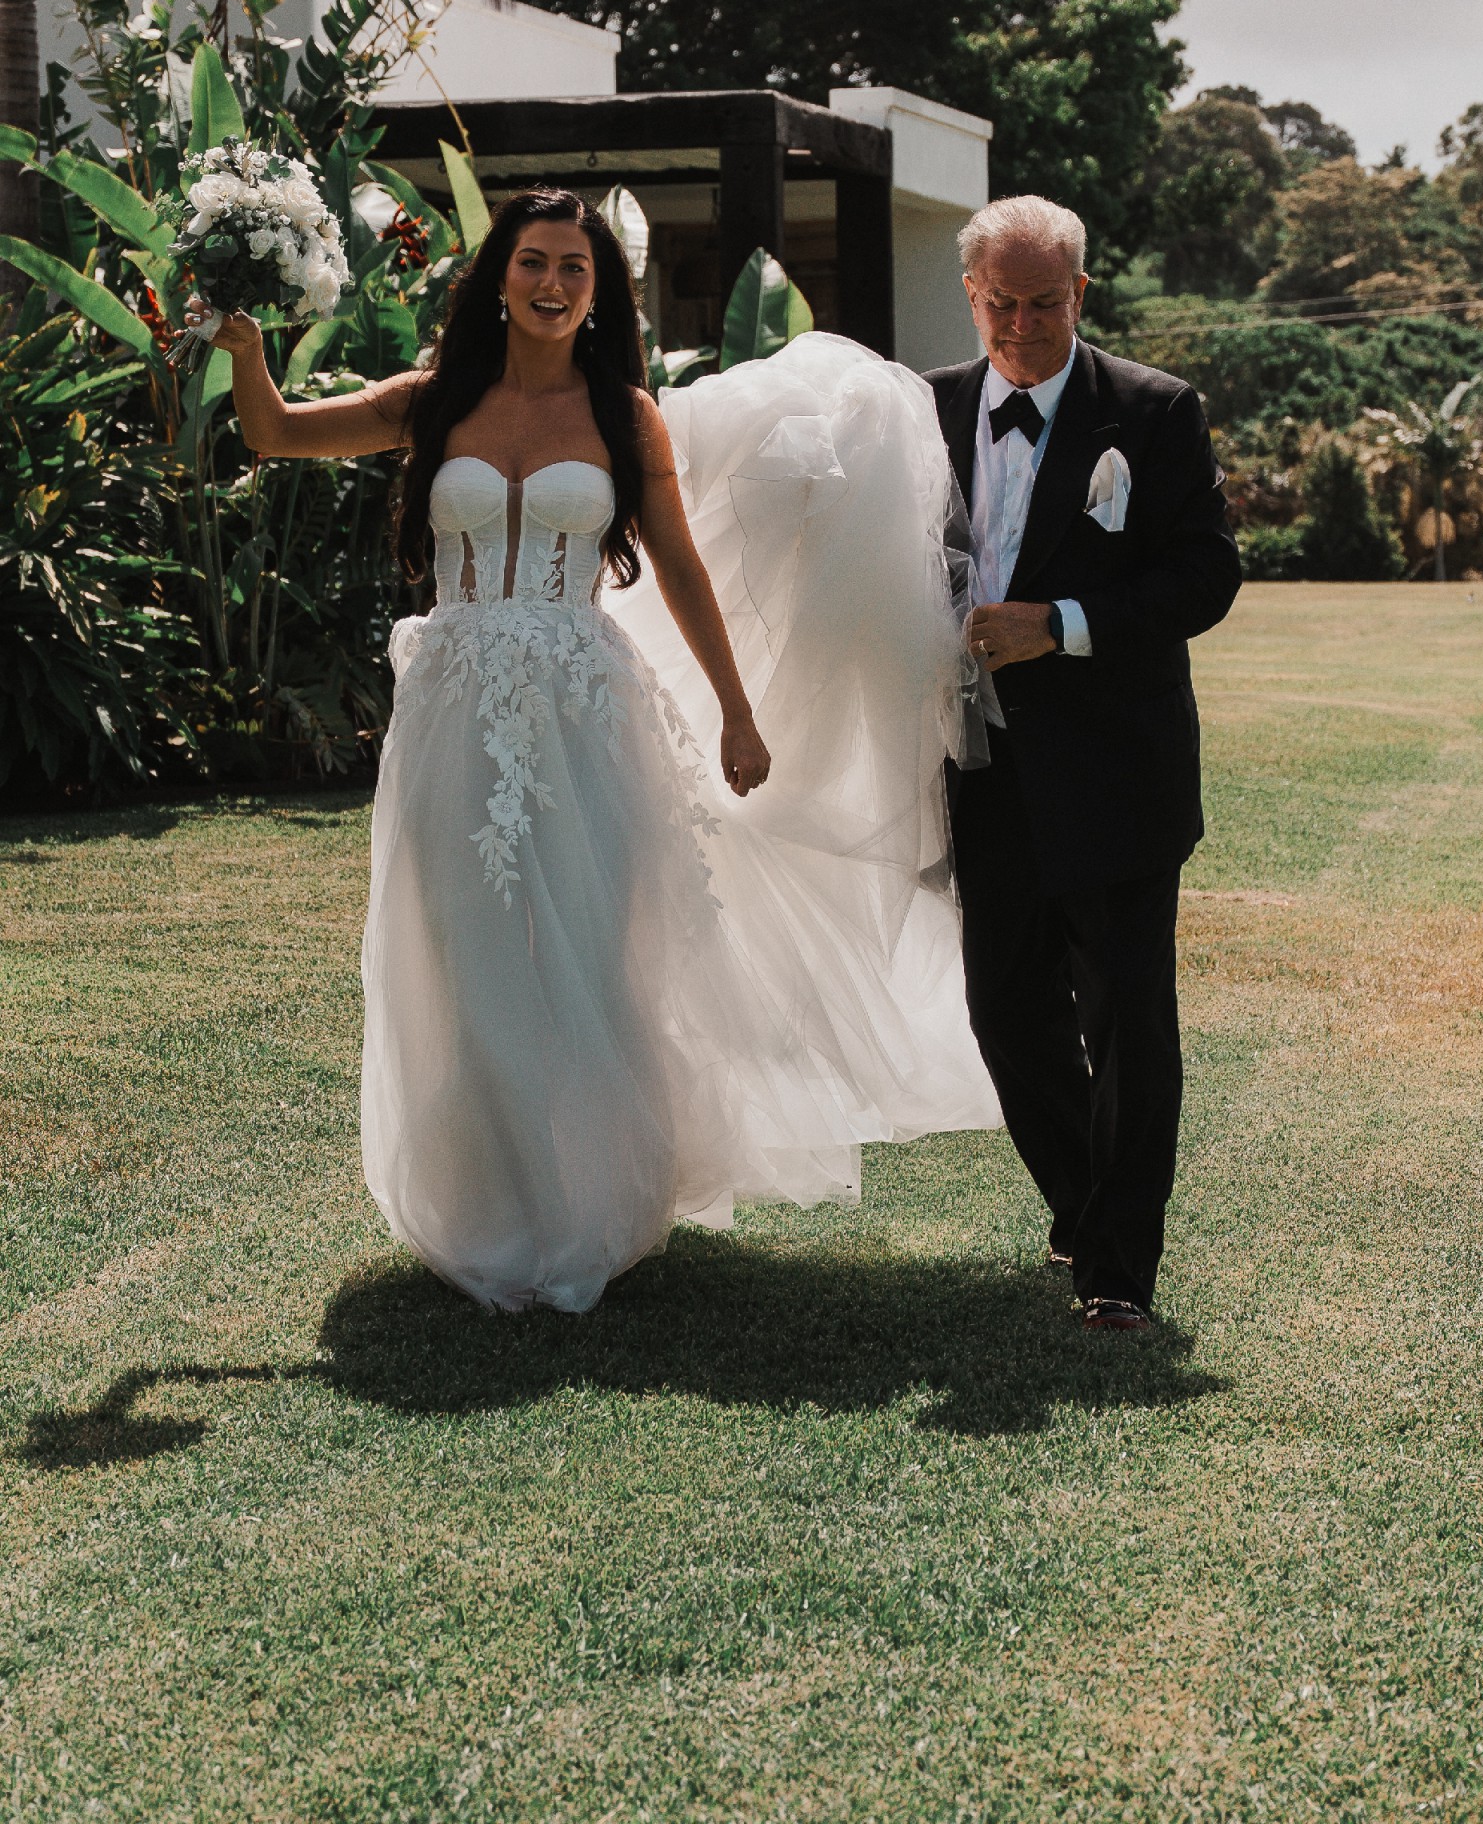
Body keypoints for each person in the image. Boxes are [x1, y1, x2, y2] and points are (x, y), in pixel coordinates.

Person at [213, 186, 997, 1314]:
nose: (552, 284)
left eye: (574, 269)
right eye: (534, 262)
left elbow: (676, 565)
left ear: (598, 293)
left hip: (586, 709)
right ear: (500, 279)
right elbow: (276, 432)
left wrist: (736, 711)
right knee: (465, 948)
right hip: (454, 711)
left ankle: (589, 1201)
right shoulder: (433, 401)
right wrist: (248, 354)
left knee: (590, 947)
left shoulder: (624, 418)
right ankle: (490, 1199)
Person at [927, 194, 1241, 1332]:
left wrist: (1058, 625)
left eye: (1044, 304)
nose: (1020, 326)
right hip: (981, 767)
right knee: (1005, 1013)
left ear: (1082, 294)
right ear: (972, 295)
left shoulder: (1154, 411)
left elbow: (1205, 576)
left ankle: (1116, 1271)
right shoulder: (928, 409)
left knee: (1126, 1023)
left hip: (1117, 770)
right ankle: (1082, 1203)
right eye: (1000, 304)